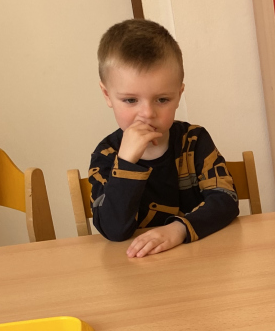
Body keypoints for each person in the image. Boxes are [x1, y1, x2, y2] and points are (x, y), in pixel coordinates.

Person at [89, 20, 238, 258]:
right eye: (130, 100)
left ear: (179, 95)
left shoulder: (194, 140)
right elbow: (113, 230)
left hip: (198, 259)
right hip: (135, 268)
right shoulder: (106, 154)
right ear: (107, 95)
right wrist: (126, 163)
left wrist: (178, 230)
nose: (148, 113)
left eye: (162, 100)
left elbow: (226, 200)